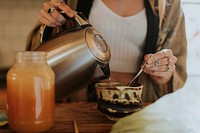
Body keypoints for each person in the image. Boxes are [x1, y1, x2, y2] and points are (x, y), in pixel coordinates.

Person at [26, 0, 187, 102]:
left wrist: (163, 73)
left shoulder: (169, 4)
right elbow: (36, 52)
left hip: (140, 107)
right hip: (80, 105)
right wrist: (49, 24)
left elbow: (176, 69)